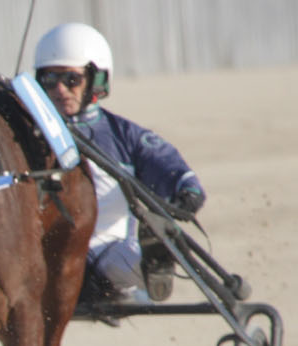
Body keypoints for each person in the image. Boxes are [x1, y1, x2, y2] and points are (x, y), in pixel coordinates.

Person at [32, 22, 206, 303]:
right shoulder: (25, 133)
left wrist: (186, 190)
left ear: (97, 81)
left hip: (105, 254)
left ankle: (154, 263)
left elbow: (164, 161)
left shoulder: (123, 135)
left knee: (131, 259)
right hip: (42, 256)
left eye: (71, 80)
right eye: (50, 80)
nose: (60, 89)